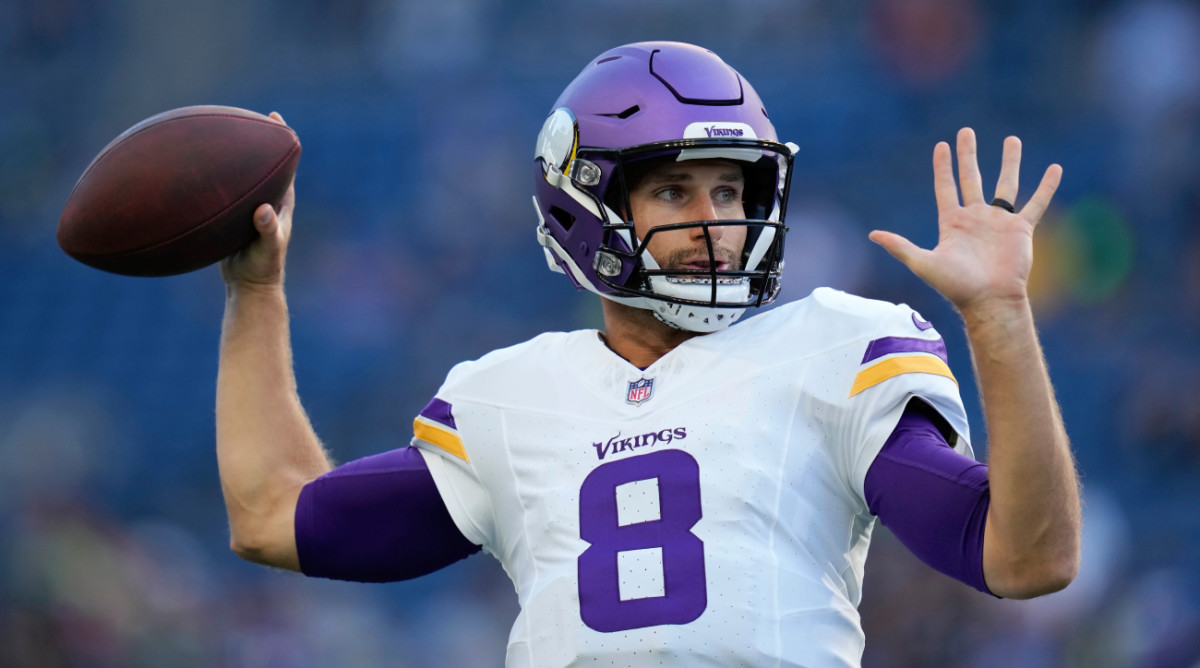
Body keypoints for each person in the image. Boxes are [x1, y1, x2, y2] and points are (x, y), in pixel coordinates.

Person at [215, 42, 1081, 667]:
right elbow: (272, 516)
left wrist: (999, 318)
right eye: (673, 189)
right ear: (582, 207)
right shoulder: (507, 399)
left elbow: (1027, 558)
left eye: (732, 190)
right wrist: (256, 294)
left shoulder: (832, 346)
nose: (716, 223)